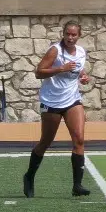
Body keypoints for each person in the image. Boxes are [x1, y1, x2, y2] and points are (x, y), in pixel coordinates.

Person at [22, 21, 91, 198]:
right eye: (67, 34)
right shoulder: (56, 50)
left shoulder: (81, 51)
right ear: (63, 34)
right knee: (45, 142)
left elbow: (79, 69)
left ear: (79, 35)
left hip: (72, 100)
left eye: (74, 35)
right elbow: (39, 72)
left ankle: (77, 185)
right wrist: (61, 68)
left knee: (79, 139)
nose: (70, 37)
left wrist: (83, 76)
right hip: (52, 101)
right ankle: (29, 176)